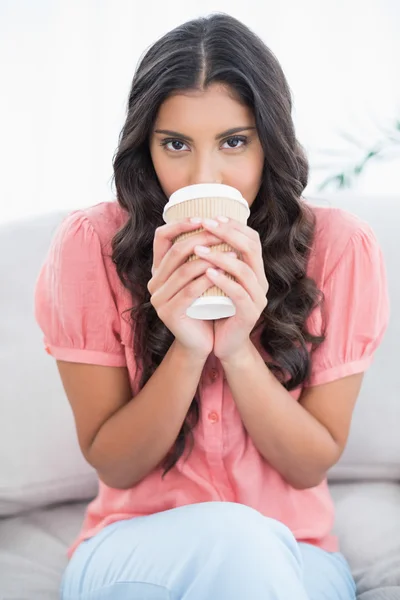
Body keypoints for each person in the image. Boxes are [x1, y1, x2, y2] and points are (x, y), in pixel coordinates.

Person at [34, 12, 389, 600]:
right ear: (144, 149)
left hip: (295, 554)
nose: (204, 175)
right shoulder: (90, 248)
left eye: (233, 142)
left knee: (249, 548)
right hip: (135, 548)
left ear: (269, 141)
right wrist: (188, 347)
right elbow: (115, 467)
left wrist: (239, 352)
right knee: (235, 543)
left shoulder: (339, 249)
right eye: (176, 144)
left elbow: (309, 466)